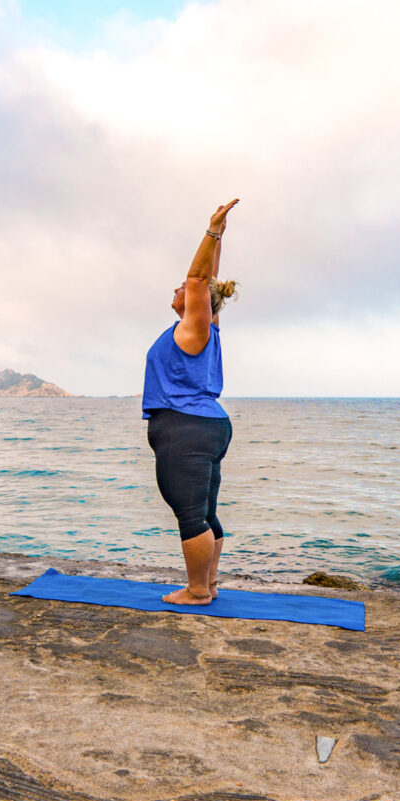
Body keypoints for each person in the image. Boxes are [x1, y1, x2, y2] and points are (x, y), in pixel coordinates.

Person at [142, 200, 239, 606]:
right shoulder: (205, 325)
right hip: (206, 425)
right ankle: (209, 584)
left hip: (186, 428)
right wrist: (219, 239)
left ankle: (198, 591)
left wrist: (212, 231)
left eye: (181, 287)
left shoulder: (195, 327)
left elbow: (200, 279)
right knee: (204, 512)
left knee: (190, 514)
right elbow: (208, 280)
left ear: (196, 300)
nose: (177, 288)